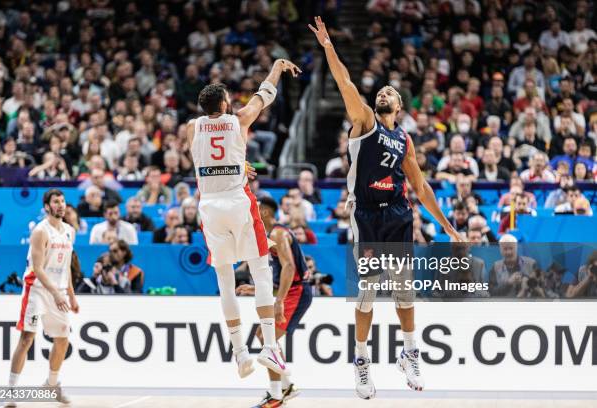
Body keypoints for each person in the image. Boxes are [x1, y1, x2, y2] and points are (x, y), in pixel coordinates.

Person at [310, 16, 463, 398]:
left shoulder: (405, 140)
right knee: (367, 293)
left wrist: (446, 226)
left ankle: (410, 353)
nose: (385, 92)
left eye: (391, 91)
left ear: (399, 105)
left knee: (404, 293)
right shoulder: (364, 122)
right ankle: (361, 361)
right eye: (381, 89)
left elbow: (422, 187)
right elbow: (345, 82)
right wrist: (329, 47)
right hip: (366, 213)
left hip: (397, 213)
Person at [186, 58, 301, 383]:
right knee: (261, 269)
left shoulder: (192, 127)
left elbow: (200, 154)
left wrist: (236, 164)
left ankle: (239, 354)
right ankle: (268, 345)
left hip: (209, 205)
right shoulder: (238, 120)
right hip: (238, 201)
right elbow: (264, 96)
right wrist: (277, 68)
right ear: (224, 103)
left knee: (225, 280)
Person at [236, 196, 313, 406]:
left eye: (256, 209)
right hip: (289, 291)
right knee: (264, 336)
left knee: (264, 336)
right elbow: (281, 275)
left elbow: (290, 268)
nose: (252, 212)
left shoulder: (278, 233)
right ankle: (284, 386)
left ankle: (278, 394)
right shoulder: (269, 234)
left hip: (296, 292)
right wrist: (257, 288)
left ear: (266, 212)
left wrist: (278, 301)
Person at [6, 189, 78, 406]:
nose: (61, 205)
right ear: (47, 206)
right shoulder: (40, 231)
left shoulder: (69, 231)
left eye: (63, 201)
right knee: (27, 338)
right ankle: (10, 392)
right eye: (56, 202)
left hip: (59, 291)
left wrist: (71, 295)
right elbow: (37, 268)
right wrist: (56, 293)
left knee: (63, 340)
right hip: (37, 290)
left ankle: (51, 384)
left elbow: (66, 266)